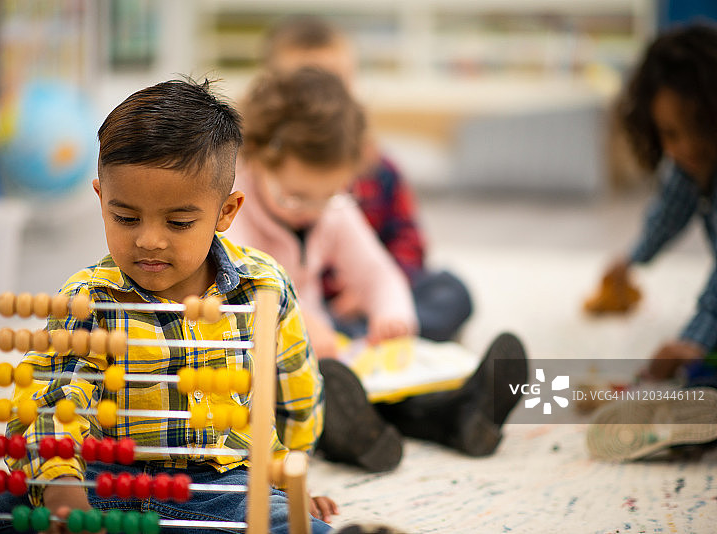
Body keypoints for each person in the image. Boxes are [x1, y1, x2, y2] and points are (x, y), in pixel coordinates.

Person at [0, 78, 335, 534]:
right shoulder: (91, 297)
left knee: (305, 530)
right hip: (98, 478)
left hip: (221, 486)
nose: (149, 240)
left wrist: (294, 478)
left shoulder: (264, 287)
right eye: (125, 218)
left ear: (227, 212)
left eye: (179, 222)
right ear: (101, 198)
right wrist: (63, 491)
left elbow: (297, 394)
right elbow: (52, 400)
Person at [225, 67, 528, 474]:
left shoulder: (334, 211)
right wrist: (298, 328)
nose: (313, 211)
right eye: (294, 197)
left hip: (329, 343)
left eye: (330, 194)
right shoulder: (233, 209)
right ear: (255, 158)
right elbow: (240, 291)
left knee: (399, 344)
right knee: (315, 391)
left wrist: (391, 316)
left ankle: (459, 412)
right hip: (258, 362)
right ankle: (353, 432)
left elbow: (377, 274)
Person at [261, 15, 473, 343]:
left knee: (450, 291)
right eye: (307, 84)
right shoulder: (244, 184)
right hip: (293, 320)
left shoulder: (374, 171)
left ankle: (374, 344)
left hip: (356, 304)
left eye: (335, 82)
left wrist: (381, 308)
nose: (322, 99)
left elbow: (401, 249)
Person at [590, 23, 717, 381]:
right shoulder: (691, 161)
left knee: (697, 378)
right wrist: (632, 259)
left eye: (700, 127)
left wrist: (695, 340)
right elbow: (671, 209)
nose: (687, 148)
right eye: (670, 134)